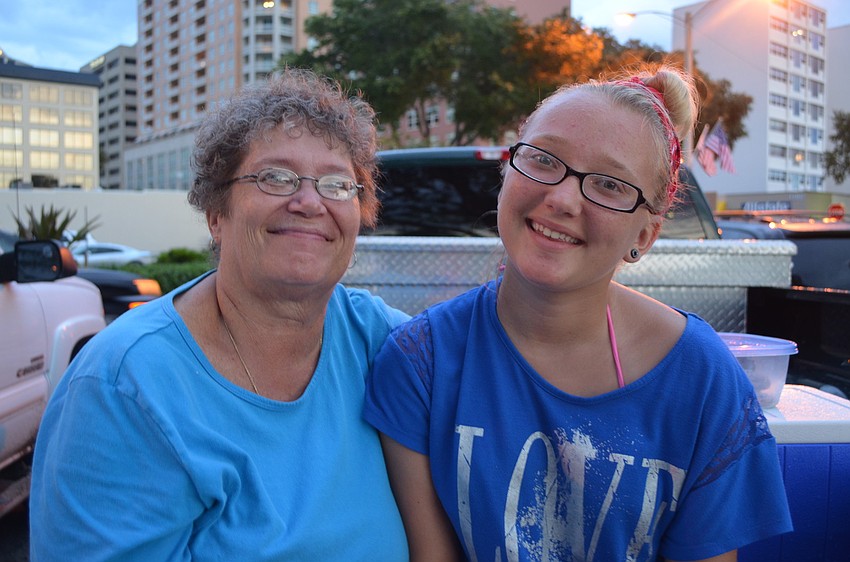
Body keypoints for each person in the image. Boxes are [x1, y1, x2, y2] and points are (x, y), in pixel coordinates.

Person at [364, 65, 793, 561]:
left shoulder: (702, 381)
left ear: (644, 237)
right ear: (507, 171)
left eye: (610, 185)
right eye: (544, 160)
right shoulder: (422, 363)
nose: (562, 198)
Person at [30, 68, 409, 561]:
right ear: (216, 213)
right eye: (276, 177)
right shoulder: (123, 388)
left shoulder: (379, 339)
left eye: (338, 184)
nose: (310, 201)